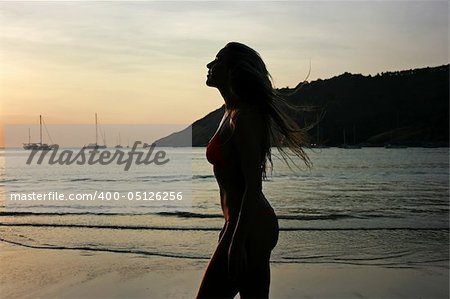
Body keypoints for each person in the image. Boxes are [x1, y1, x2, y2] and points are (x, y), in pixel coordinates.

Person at [197, 42, 311, 299]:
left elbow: (252, 186)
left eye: (217, 60)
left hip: (248, 227)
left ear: (234, 70)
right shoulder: (229, 112)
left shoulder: (245, 117)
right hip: (241, 225)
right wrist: (230, 231)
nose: (209, 65)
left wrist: (236, 241)